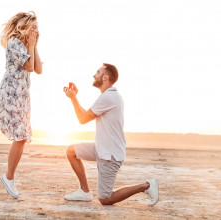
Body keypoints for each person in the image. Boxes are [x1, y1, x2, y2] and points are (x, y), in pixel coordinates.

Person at [63, 63, 159, 206]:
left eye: (97, 72)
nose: (94, 75)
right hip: (102, 148)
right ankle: (84, 191)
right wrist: (74, 97)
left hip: (110, 155)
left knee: (105, 199)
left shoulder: (108, 97)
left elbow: (82, 119)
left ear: (105, 77)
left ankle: (146, 186)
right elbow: (85, 115)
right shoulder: (110, 96)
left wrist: (73, 98)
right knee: (71, 151)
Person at [0, 11, 42, 199]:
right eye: (34, 27)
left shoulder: (26, 45)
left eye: (37, 28)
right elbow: (29, 66)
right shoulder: (14, 43)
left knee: (22, 137)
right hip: (11, 95)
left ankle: (9, 177)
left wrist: (34, 46)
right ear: (24, 26)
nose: (36, 30)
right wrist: (31, 45)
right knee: (21, 136)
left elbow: (38, 69)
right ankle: (9, 178)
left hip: (22, 97)